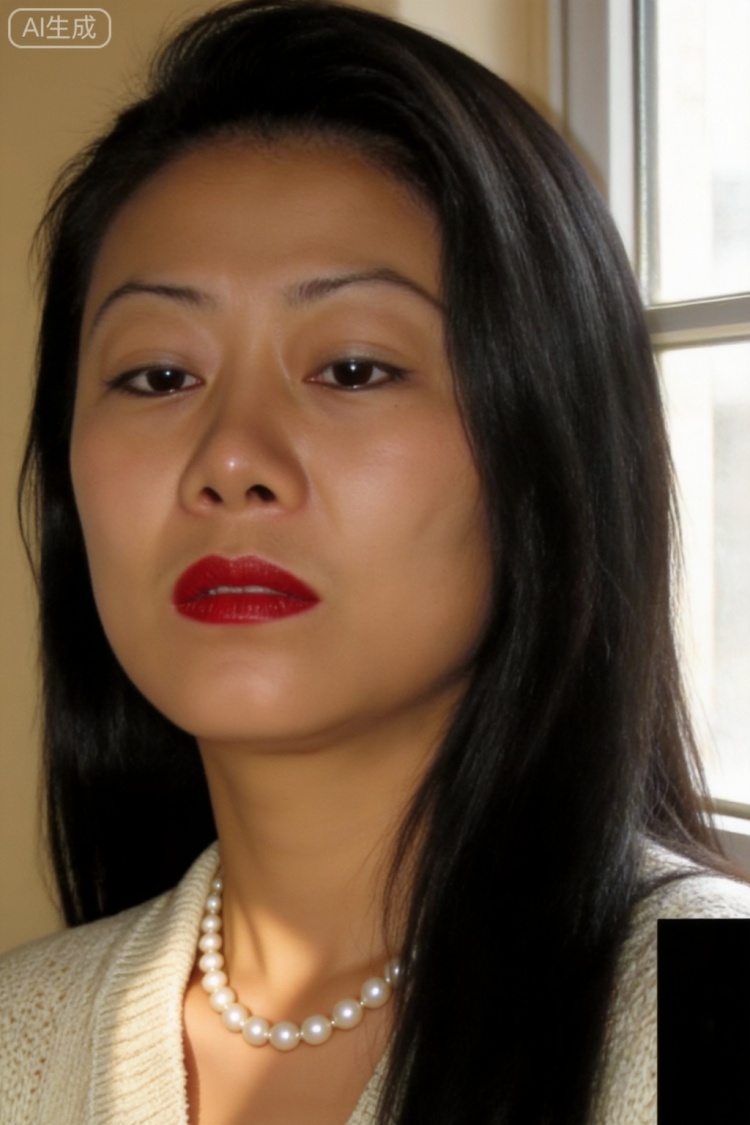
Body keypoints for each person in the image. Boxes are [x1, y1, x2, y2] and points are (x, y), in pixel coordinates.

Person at [1, 2, 749, 1122]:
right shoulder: (20, 1033)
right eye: (158, 376)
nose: (232, 460)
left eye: (353, 369)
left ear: (545, 447)